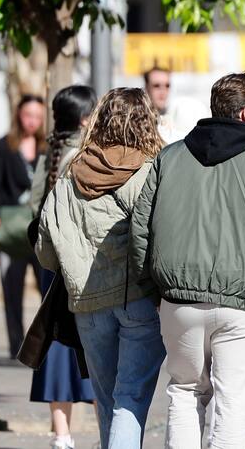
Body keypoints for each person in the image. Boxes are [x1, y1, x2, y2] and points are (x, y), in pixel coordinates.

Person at [129, 72, 245, 449]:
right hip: (243, 306)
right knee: (232, 406)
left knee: (183, 393)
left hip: (177, 301)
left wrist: (152, 288)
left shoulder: (169, 158)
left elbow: (140, 230)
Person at [37, 87, 166, 449]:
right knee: (130, 398)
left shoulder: (70, 174)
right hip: (139, 300)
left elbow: (46, 251)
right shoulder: (148, 172)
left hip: (87, 305)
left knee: (108, 398)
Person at [28, 85, 99, 449]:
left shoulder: (50, 154)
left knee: (56, 340)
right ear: (86, 118)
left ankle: (61, 434)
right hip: (86, 261)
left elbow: (33, 206)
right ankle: (108, 432)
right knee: (99, 339)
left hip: (51, 263)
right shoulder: (88, 155)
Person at [0, 94, 47, 358]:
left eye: (37, 116)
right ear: (18, 115)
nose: (32, 121)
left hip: (40, 230)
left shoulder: (47, 148)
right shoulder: (3, 146)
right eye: (27, 115)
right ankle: (16, 345)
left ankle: (45, 343)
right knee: (12, 288)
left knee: (47, 287)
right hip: (11, 230)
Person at [143, 67, 201, 145]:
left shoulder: (178, 115)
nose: (163, 91)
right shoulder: (138, 121)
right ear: (146, 87)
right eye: (157, 85)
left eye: (167, 85)